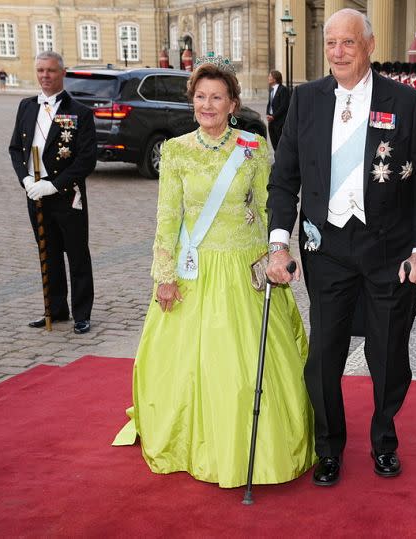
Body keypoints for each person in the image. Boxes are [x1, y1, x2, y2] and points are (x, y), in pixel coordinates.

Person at [112, 57, 315, 487]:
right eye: (200, 97)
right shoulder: (176, 151)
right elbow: (167, 218)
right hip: (194, 271)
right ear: (193, 102)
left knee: (247, 369)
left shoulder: (253, 148)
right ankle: (195, 440)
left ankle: (252, 445)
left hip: (244, 268)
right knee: (190, 364)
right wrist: (163, 275)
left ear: (233, 103)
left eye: (216, 97)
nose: (207, 105)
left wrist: (277, 253)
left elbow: (268, 206)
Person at [266, 8, 416, 486]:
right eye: (331, 44)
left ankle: (384, 438)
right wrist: (278, 244)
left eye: (348, 43)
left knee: (388, 356)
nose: (338, 52)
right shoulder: (305, 101)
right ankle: (329, 448)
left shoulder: (405, 103)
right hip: (326, 249)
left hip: (389, 249)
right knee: (323, 355)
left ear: (368, 46)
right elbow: (283, 180)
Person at [8, 51, 96, 334]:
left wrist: (55, 184)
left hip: (66, 194)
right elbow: (15, 149)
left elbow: (86, 159)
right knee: (49, 253)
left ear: (62, 72)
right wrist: (25, 179)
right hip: (35, 192)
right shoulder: (26, 106)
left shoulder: (80, 112)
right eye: (40, 70)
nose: (45, 76)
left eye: (51, 71)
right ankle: (56, 309)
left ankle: (82, 313)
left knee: (77, 255)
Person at [266, 69, 290, 151]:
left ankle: (281, 160)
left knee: (280, 142)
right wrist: (268, 114)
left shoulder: (283, 90)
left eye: (270, 76)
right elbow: (270, 103)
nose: (268, 78)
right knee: (274, 142)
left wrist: (274, 116)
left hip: (279, 122)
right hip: (271, 121)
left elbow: (284, 106)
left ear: (275, 79)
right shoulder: (271, 90)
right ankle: (277, 159)